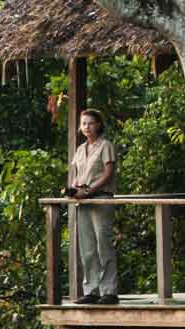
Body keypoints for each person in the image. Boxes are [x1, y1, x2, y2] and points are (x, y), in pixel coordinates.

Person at [65, 108, 119, 305]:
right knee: (87, 247)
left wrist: (90, 190)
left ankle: (109, 290)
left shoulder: (106, 146)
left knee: (103, 244)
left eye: (90, 123)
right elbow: (76, 174)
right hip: (83, 202)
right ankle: (92, 289)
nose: (86, 127)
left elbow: (108, 173)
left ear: (99, 125)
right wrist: (73, 189)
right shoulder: (80, 150)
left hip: (101, 199)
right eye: (83, 123)